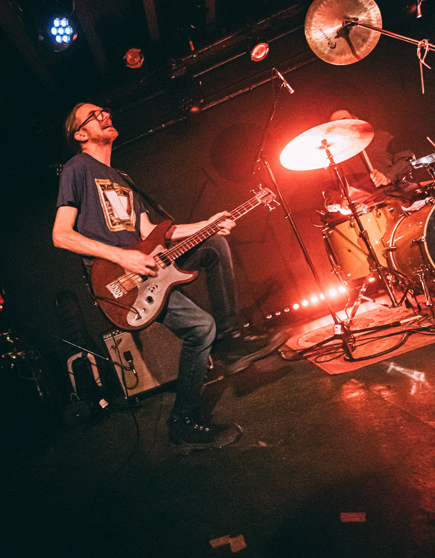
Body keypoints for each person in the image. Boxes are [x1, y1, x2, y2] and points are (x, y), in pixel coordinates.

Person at [52, 103, 287, 453]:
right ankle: (186, 420)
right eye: (94, 114)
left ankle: (227, 345)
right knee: (201, 325)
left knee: (214, 250)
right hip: (119, 281)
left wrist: (210, 222)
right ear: (81, 133)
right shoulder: (77, 168)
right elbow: (61, 235)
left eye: (104, 110)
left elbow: (153, 231)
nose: (104, 114)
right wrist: (121, 255)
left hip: (148, 268)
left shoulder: (121, 178)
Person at [323, 109, 420, 213]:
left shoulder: (381, 137)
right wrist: (339, 202)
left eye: (344, 120)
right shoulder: (332, 156)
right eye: (335, 124)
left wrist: (388, 177)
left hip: (401, 194)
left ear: (356, 120)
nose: (340, 125)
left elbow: (406, 158)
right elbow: (329, 191)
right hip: (366, 209)